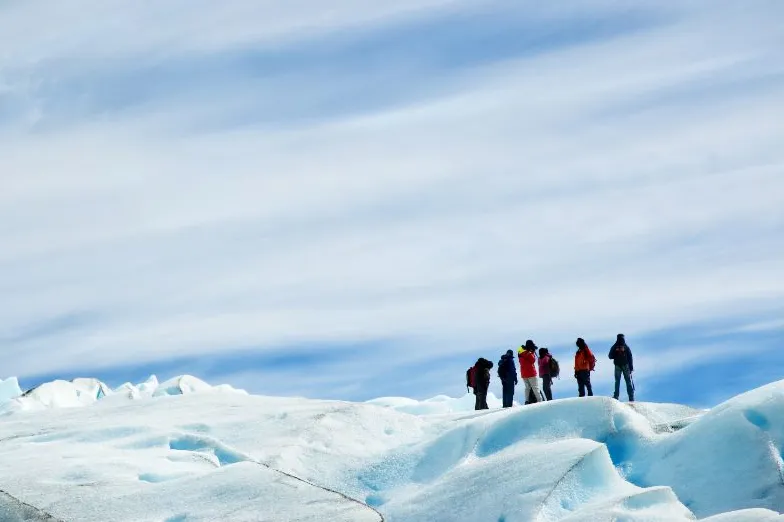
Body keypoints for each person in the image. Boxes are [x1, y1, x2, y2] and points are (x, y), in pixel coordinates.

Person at [609, 333, 635, 402]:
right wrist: (631, 367)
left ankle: (616, 396)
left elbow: (610, 356)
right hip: (626, 365)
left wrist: (615, 352)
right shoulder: (626, 346)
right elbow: (630, 357)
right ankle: (631, 397)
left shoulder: (615, 346)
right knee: (628, 381)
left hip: (617, 365)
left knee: (617, 381)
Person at [518, 340, 541, 404]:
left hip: (524, 373)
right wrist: (532, 352)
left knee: (527, 388)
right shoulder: (529, 353)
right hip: (531, 372)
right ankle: (540, 400)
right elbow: (533, 360)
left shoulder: (520, 353)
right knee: (535, 387)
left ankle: (527, 400)